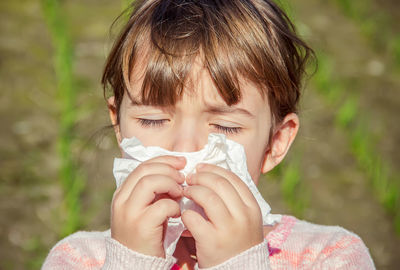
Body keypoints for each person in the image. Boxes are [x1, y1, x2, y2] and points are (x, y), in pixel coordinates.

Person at [42, 0, 375, 269]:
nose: (185, 147)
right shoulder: (77, 259)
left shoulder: (330, 256)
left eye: (226, 127)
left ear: (275, 143)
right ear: (119, 124)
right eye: (153, 119)